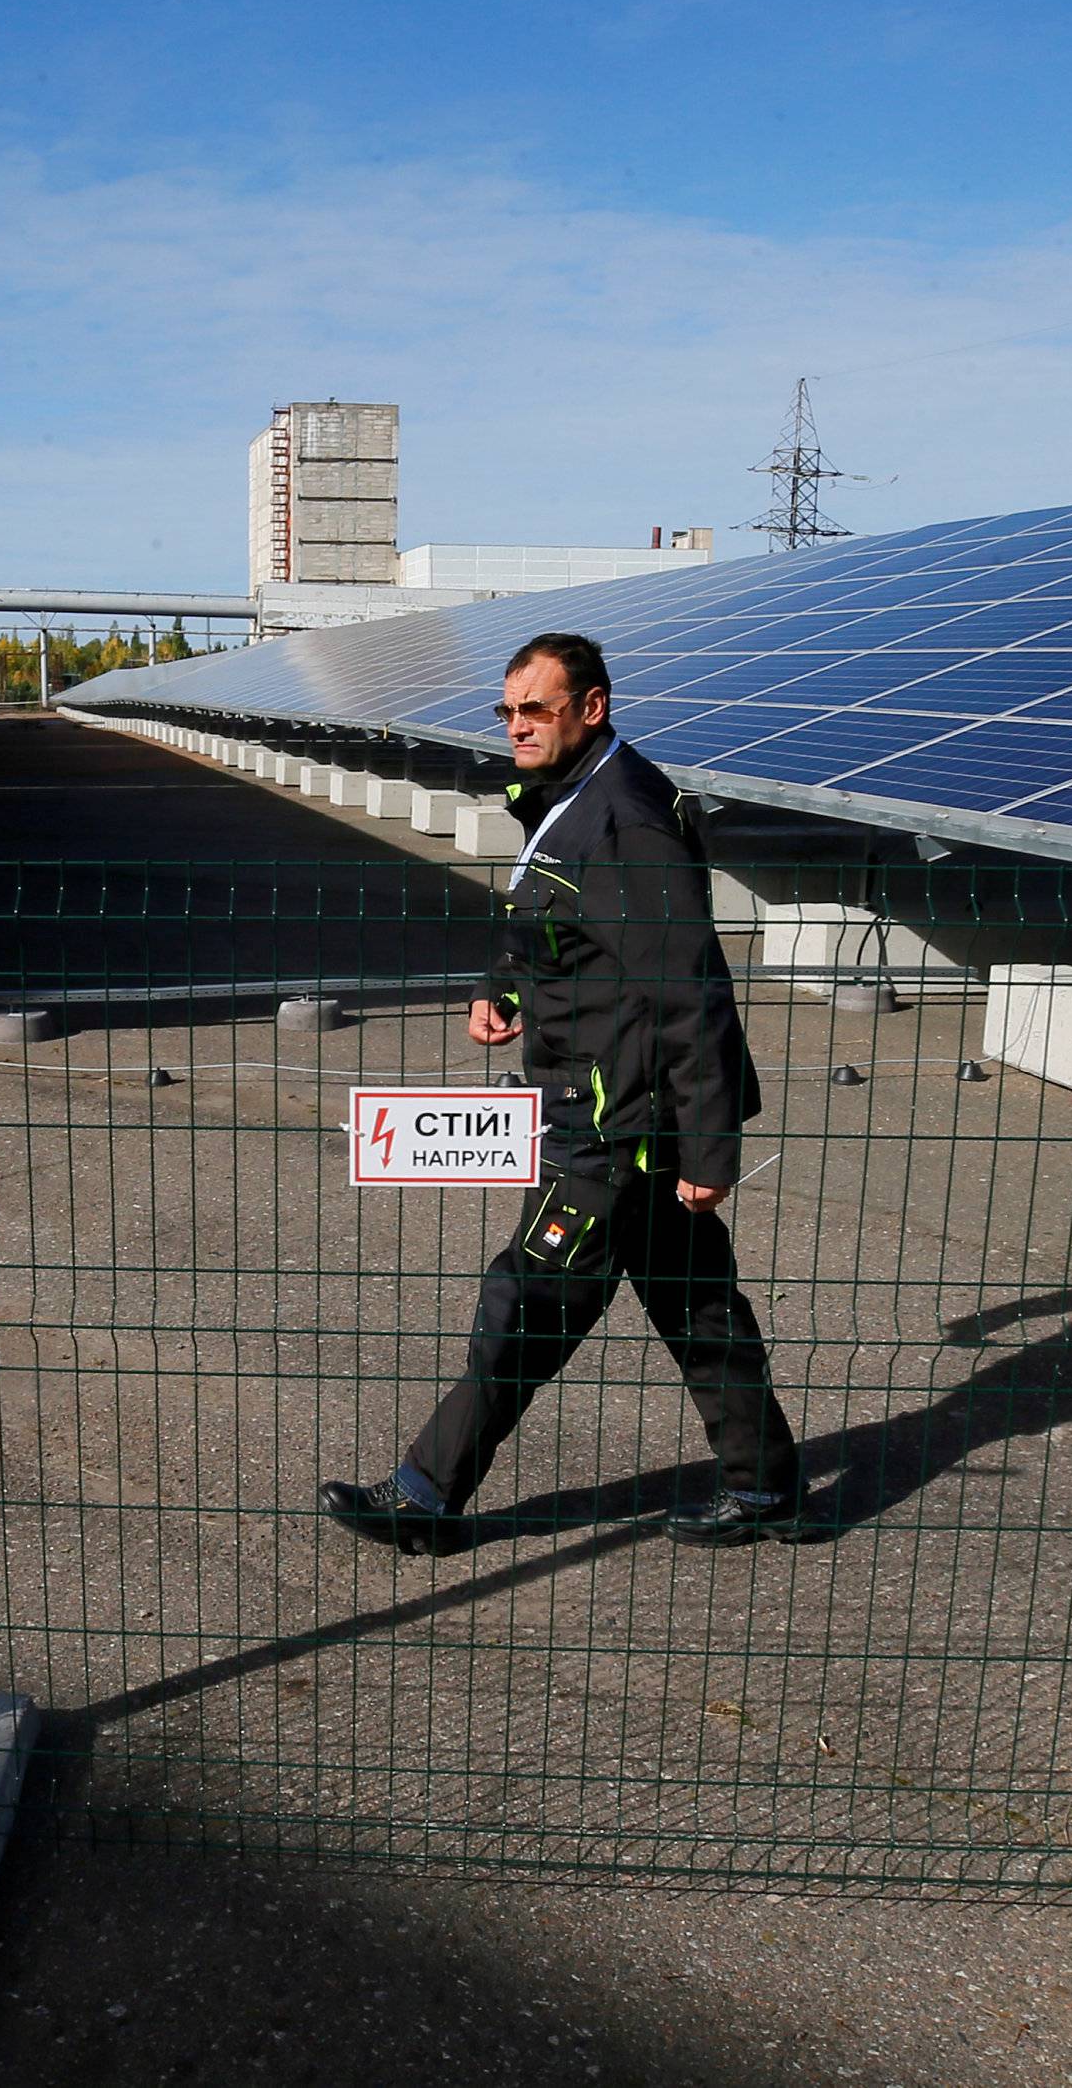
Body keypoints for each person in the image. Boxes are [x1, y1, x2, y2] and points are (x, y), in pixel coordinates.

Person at [319, 631, 805, 1555]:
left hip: (618, 1125)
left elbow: (688, 985)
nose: (515, 727)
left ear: (592, 708)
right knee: (697, 1304)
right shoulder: (571, 800)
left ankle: (426, 1492)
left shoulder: (623, 820)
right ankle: (766, 1484)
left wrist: (709, 1149)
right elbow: (553, 920)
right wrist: (506, 988)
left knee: (526, 1300)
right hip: (615, 1103)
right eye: (506, 711)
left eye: (534, 709)